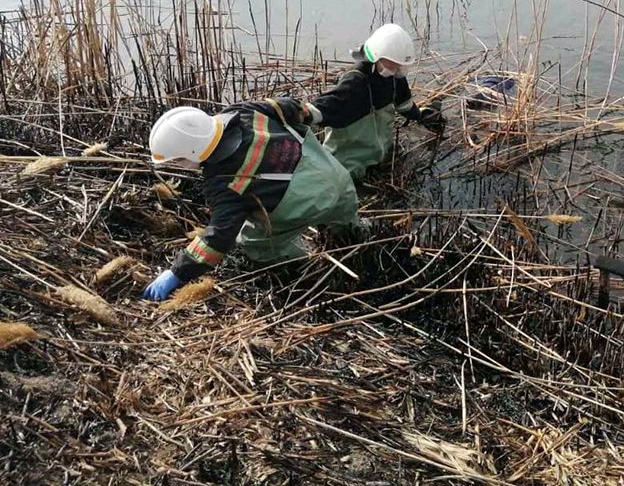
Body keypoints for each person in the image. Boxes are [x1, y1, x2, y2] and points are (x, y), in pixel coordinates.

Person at [142, 97, 360, 301]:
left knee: (253, 242)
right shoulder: (244, 111)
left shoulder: (223, 183)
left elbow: (218, 237)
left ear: (193, 151)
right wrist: (312, 114)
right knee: (348, 226)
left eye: (179, 160)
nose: (180, 165)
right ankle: (354, 238)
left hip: (312, 203)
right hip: (337, 178)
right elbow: (291, 107)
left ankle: (306, 264)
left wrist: (177, 272)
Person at [304, 23, 444, 180]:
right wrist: (300, 112)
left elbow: (404, 105)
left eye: (399, 66)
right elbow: (325, 108)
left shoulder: (394, 78)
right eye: (391, 65)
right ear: (376, 56)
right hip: (347, 168)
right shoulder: (355, 83)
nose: (395, 70)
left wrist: (421, 115)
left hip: (380, 158)